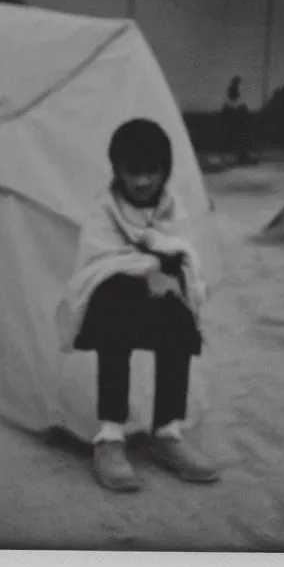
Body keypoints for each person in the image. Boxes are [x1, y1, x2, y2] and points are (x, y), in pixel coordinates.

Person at [57, 119, 219, 492]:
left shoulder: (170, 206)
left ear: (164, 171)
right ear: (118, 171)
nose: (143, 182)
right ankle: (110, 437)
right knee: (118, 305)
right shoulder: (106, 208)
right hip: (111, 306)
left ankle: (166, 431)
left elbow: (183, 254)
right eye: (134, 172)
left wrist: (166, 271)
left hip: (156, 300)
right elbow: (98, 262)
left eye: (152, 172)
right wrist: (149, 265)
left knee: (179, 316)